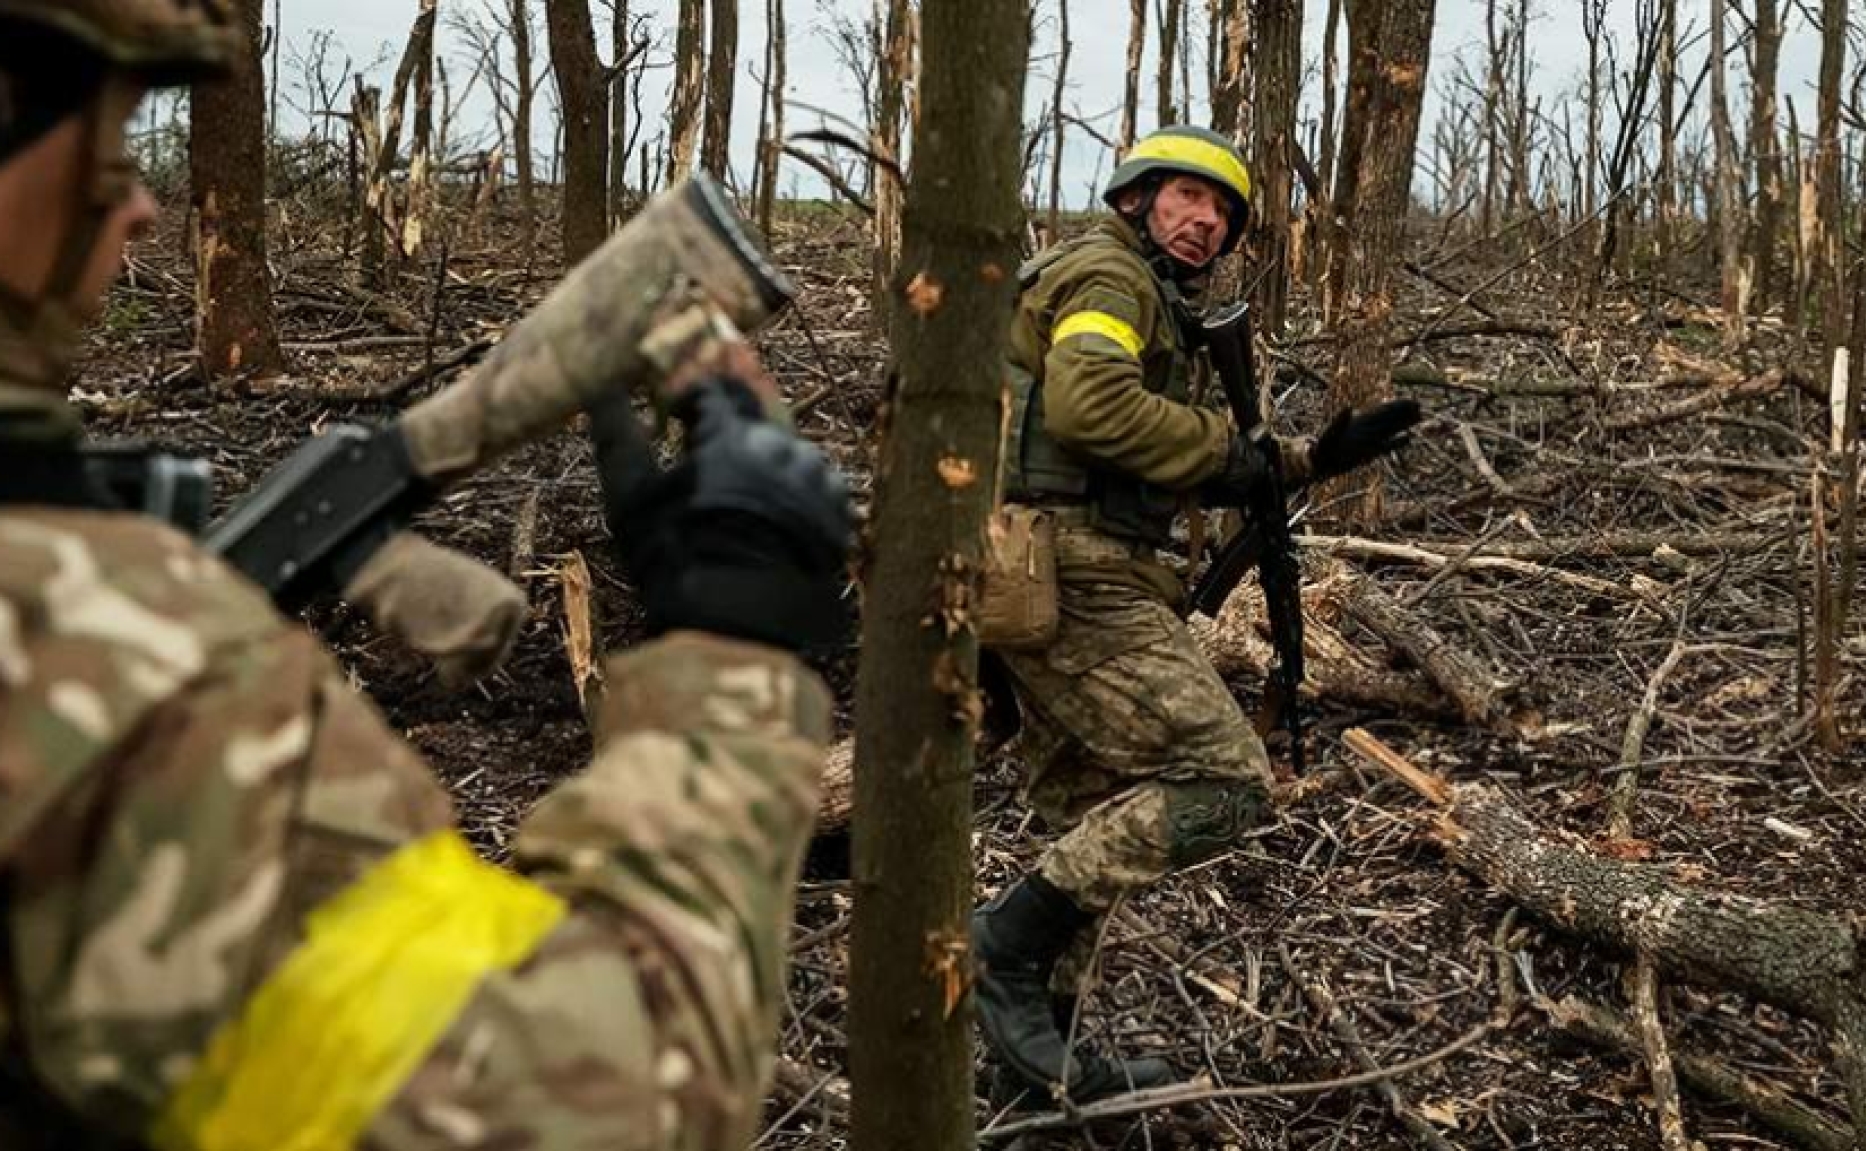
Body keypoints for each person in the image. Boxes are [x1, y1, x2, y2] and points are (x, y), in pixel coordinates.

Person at [0, 3, 854, 1149]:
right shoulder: (107, 666)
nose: (142, 203)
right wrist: (736, 653)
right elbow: (600, 1106)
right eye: (103, 154)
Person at [975, 125, 1421, 1104]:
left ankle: (1035, 1066)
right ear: (1138, 197)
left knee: (1086, 818)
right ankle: (1001, 951)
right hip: (1075, 576)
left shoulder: (1145, 294)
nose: (1205, 221)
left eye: (1221, 212)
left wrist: (1310, 457)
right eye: (1187, 197)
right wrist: (1231, 449)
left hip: (1055, 573)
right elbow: (1093, 409)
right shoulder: (1110, 278)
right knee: (1226, 779)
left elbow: (1170, 443)